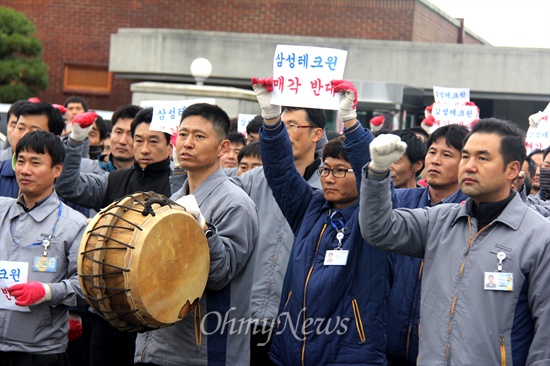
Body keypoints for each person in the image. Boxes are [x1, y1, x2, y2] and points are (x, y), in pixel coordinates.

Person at [360, 118, 550, 365]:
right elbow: (379, 230)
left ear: (512, 170)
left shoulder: (538, 236)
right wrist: (377, 172)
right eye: (465, 156)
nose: (469, 166)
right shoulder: (440, 220)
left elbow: (546, 338)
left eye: (482, 158)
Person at [252, 77, 392, 365]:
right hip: (291, 349)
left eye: (341, 170)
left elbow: (375, 178)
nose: (329, 177)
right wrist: (271, 120)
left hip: (350, 353)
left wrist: (351, 122)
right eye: (326, 169)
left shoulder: (378, 218)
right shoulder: (310, 208)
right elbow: (279, 171)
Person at [134, 103, 259, 366]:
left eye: (199, 136)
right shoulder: (173, 200)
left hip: (203, 351)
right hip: (158, 346)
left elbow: (218, 275)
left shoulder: (235, 203)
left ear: (223, 148)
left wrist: (202, 228)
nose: (187, 143)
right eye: (183, 134)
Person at [231, 90, 326, 363]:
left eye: (293, 126)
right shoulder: (252, 180)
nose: (285, 133)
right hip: (241, 316)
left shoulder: (331, 187)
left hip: (301, 321)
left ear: (317, 133)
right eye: (280, 126)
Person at [0, 130, 87, 366]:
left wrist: (46, 292)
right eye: (20, 161)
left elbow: (86, 286)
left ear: (57, 169)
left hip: (39, 349)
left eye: (35, 162)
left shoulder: (74, 224)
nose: (25, 170)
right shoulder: (1, 210)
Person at [386, 123, 469, 366]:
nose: (435, 160)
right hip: (388, 342)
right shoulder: (401, 201)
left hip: (442, 350)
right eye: (432, 152)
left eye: (447, 155)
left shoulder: (474, 213)